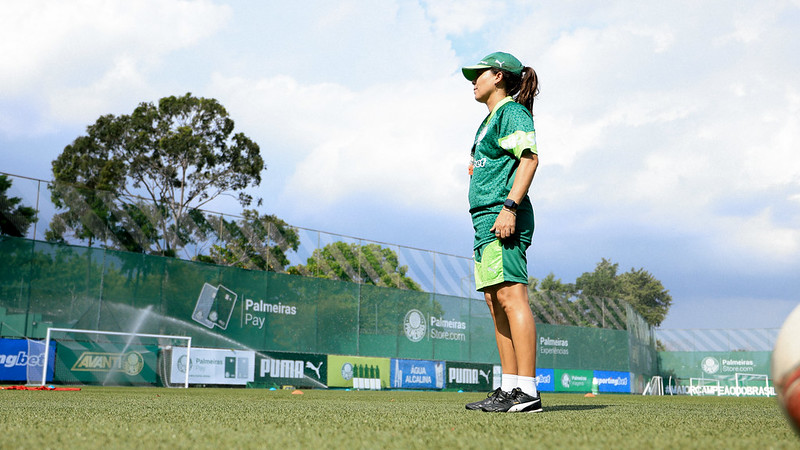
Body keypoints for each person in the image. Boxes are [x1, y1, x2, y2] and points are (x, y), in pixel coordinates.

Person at [461, 52, 542, 413]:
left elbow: (530, 158)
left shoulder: (511, 112)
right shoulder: (488, 122)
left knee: (512, 298)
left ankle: (528, 391)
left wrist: (509, 207)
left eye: (478, 75)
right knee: (496, 304)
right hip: (484, 221)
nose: (473, 81)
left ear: (498, 76)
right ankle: (510, 388)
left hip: (502, 216)